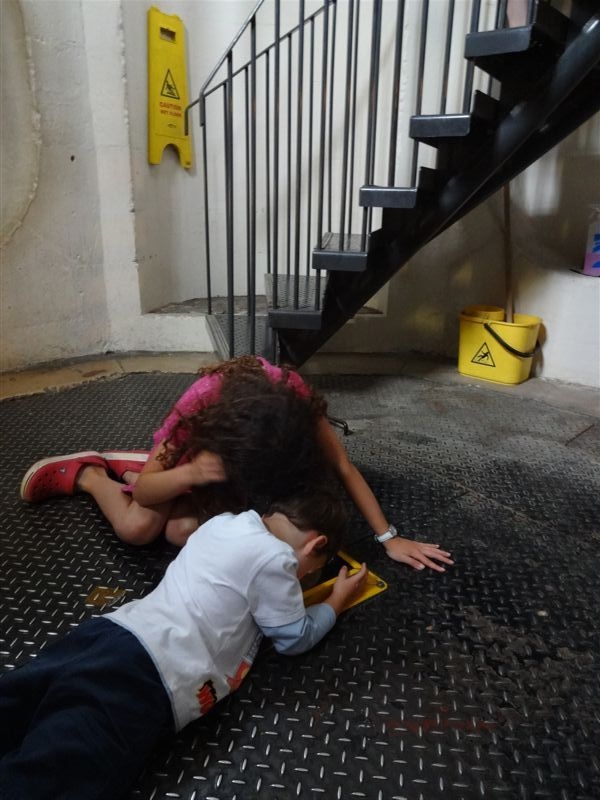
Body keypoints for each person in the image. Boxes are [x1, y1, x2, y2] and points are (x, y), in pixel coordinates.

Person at [0, 491, 367, 800]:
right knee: (55, 773)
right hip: (151, 673)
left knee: (19, 700)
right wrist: (335, 600)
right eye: (309, 570)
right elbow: (294, 638)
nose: (300, 579)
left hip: (108, 632)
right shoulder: (279, 558)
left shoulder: (225, 522)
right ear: (316, 543)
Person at [20, 355, 453, 572]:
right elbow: (151, 493)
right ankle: (94, 473)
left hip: (220, 472)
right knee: (137, 528)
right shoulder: (201, 405)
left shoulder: (294, 399)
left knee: (182, 534)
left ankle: (135, 468)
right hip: (192, 464)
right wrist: (191, 473)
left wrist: (388, 538)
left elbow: (341, 466)